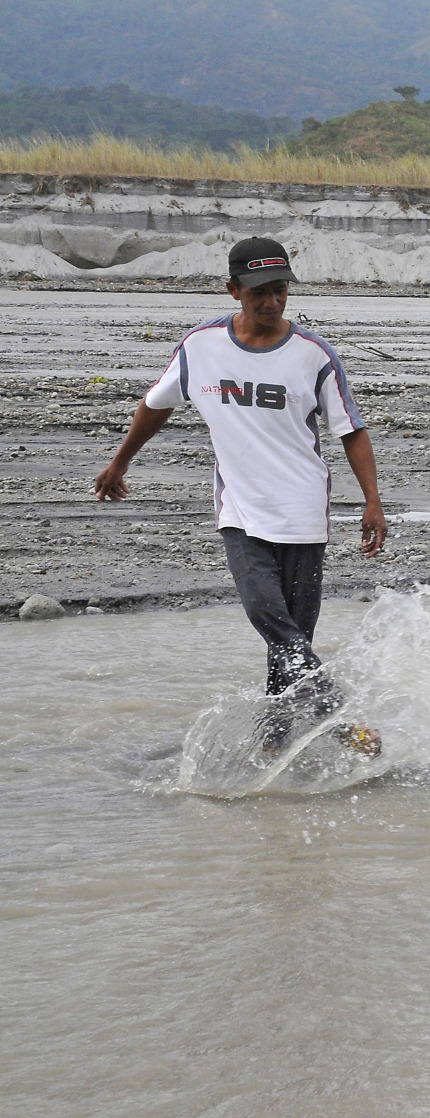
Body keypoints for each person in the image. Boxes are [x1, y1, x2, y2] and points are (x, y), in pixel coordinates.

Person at [93, 237, 387, 747]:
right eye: (259, 293)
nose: (272, 302)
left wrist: (373, 501)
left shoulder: (313, 355)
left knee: (290, 643)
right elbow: (156, 404)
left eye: (280, 291)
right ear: (233, 290)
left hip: (303, 514)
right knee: (269, 617)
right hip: (242, 513)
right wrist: (120, 461)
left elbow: (351, 430)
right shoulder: (201, 347)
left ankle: (273, 745)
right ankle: (340, 721)